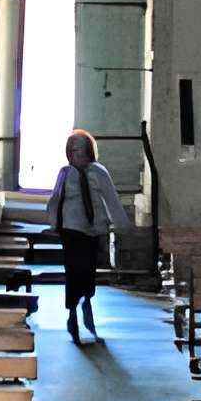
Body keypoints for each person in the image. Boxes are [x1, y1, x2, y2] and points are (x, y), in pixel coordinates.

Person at [44, 129, 129, 343]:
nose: (76, 154)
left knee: (88, 270)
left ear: (89, 151)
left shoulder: (98, 172)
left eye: (80, 149)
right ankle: (72, 312)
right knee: (73, 270)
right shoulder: (65, 173)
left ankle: (86, 301)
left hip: (92, 229)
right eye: (72, 150)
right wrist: (54, 223)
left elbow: (110, 198)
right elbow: (56, 199)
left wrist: (121, 224)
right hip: (71, 228)